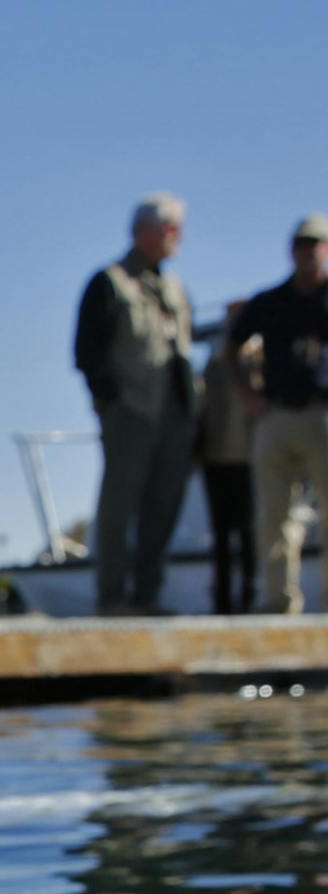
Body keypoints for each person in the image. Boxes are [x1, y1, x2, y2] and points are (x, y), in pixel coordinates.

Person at [73, 194, 195, 614]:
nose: (177, 237)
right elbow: (87, 352)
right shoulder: (109, 281)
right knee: (119, 506)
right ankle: (112, 597)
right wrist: (110, 402)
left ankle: (148, 595)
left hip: (173, 417)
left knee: (163, 507)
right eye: (171, 228)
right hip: (130, 412)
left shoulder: (175, 289)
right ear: (145, 230)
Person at [231, 216, 328, 616]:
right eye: (302, 244)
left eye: (316, 244)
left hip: (323, 414)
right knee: (273, 516)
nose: (308, 252)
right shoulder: (270, 301)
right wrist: (247, 393)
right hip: (277, 415)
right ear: (291, 250)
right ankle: (278, 605)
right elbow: (233, 346)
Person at [197, 302, 260, 615]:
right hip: (216, 459)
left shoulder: (258, 359)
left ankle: (250, 596)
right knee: (220, 535)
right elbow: (203, 407)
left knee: (249, 531)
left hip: (250, 459)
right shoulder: (215, 363)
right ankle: (221, 602)